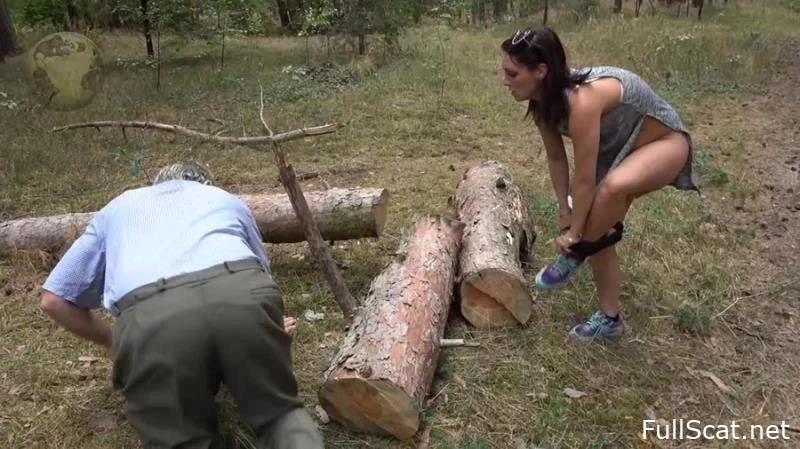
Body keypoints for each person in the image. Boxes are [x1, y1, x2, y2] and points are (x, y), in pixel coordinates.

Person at [39, 162, 324, 449]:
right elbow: (261, 272)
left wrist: (113, 341)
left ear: (156, 184)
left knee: (180, 439)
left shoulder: (118, 207)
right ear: (205, 183)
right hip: (241, 292)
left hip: (153, 317)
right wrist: (268, 325)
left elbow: (53, 299)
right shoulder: (223, 198)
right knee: (280, 414)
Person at [500, 26, 698, 342]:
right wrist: (565, 211)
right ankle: (610, 319)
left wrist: (576, 233)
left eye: (512, 73)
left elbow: (584, 176)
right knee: (601, 222)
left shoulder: (582, 102)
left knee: (609, 191)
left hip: (664, 144)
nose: (504, 81)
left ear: (540, 71)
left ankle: (576, 252)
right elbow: (556, 159)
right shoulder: (542, 105)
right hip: (618, 154)